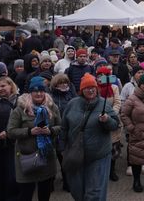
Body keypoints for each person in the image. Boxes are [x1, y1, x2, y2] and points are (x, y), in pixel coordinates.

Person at [61, 73, 120, 201]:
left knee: (95, 193)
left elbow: (115, 124)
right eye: (87, 88)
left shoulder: (103, 104)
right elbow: (64, 127)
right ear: (81, 90)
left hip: (98, 155)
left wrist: (107, 120)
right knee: (77, 190)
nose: (91, 90)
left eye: (93, 87)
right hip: (75, 154)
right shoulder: (72, 104)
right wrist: (62, 147)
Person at [6, 76, 61, 201]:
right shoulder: (20, 109)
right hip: (27, 157)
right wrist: (30, 131)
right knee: (25, 194)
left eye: (41, 90)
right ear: (30, 92)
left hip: (47, 156)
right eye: (35, 91)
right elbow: (10, 131)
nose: (39, 93)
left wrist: (51, 130)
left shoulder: (52, 107)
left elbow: (61, 126)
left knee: (45, 193)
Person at [120, 72, 144, 193]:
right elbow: (124, 114)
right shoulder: (132, 99)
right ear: (139, 85)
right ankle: (136, 181)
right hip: (138, 134)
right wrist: (131, 128)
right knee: (136, 159)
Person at [48, 73, 76, 191]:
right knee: (51, 157)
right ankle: (50, 180)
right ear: (55, 84)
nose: (64, 85)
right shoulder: (50, 96)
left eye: (65, 82)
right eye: (60, 83)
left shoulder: (71, 95)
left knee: (64, 156)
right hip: (53, 130)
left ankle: (67, 180)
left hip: (67, 130)